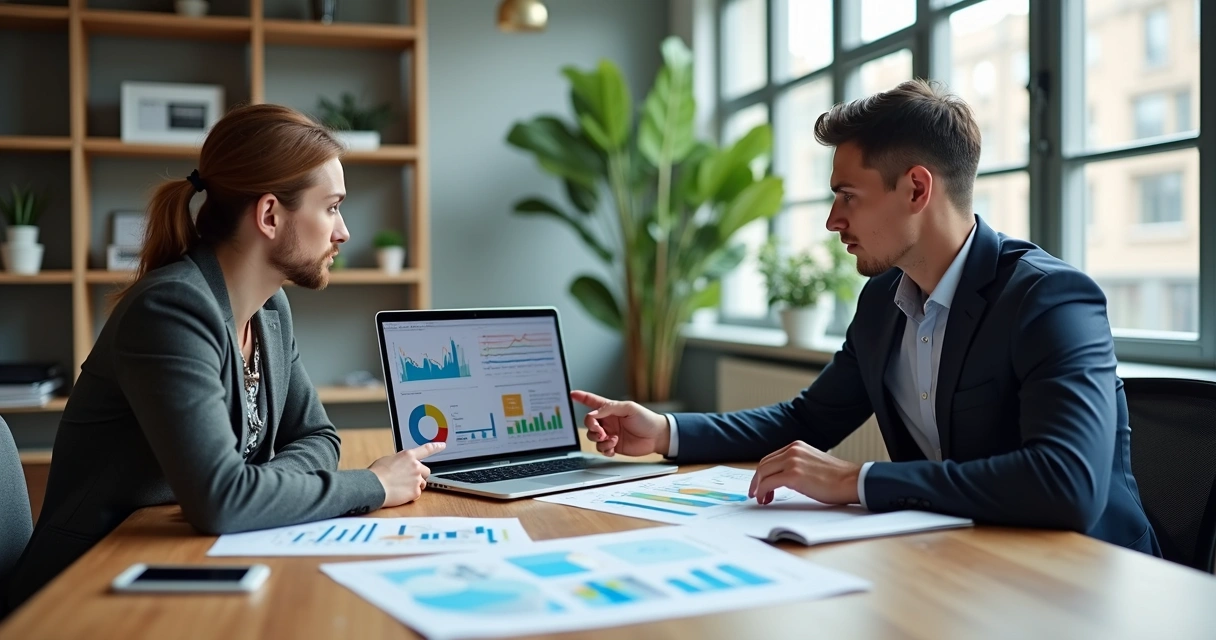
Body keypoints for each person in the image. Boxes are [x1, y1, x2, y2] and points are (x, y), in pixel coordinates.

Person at [572, 79, 1160, 556]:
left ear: (915, 189)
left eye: (847, 195)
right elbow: (807, 419)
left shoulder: (1050, 299)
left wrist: (856, 481)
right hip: (964, 556)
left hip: (1090, 576)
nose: (833, 220)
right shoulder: (884, 302)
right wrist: (665, 432)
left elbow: (1067, 484)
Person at [3, 104, 442, 612]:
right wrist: (372, 484)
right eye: (332, 208)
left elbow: (317, 437)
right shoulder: (171, 310)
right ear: (270, 215)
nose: (343, 232)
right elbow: (223, 501)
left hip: (186, 558)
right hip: (87, 587)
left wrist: (259, 487)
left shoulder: (269, 309)